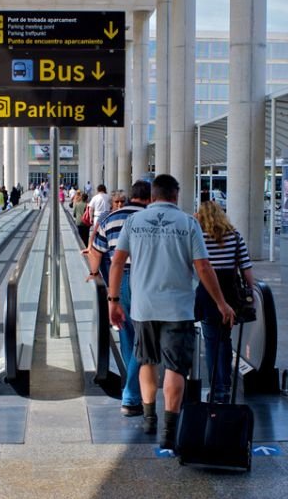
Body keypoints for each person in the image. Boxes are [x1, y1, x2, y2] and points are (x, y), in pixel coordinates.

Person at [109, 174, 234, 452]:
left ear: (153, 196)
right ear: (175, 195)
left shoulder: (133, 221)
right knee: (176, 366)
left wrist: (113, 300)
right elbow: (203, 267)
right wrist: (221, 303)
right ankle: (169, 428)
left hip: (143, 306)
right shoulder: (188, 223)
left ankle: (149, 418)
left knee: (147, 361)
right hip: (178, 308)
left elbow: (117, 263)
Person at [88, 182, 150, 417]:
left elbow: (96, 252)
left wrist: (94, 275)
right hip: (144, 277)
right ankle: (131, 394)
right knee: (144, 338)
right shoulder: (148, 217)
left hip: (119, 279)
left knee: (127, 334)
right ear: (150, 198)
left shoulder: (110, 219)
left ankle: (131, 387)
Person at [195, 200, 255, 403]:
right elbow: (246, 266)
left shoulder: (199, 236)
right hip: (230, 291)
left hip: (208, 290)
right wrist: (251, 292)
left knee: (211, 342)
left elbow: (197, 265)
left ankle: (217, 388)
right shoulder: (234, 235)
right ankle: (226, 385)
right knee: (225, 339)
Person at [86, 184, 111, 251]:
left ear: (98, 190)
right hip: (108, 216)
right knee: (107, 232)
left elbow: (90, 208)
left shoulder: (95, 197)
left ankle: (97, 247)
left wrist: (91, 218)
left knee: (96, 232)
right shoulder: (109, 197)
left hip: (97, 217)